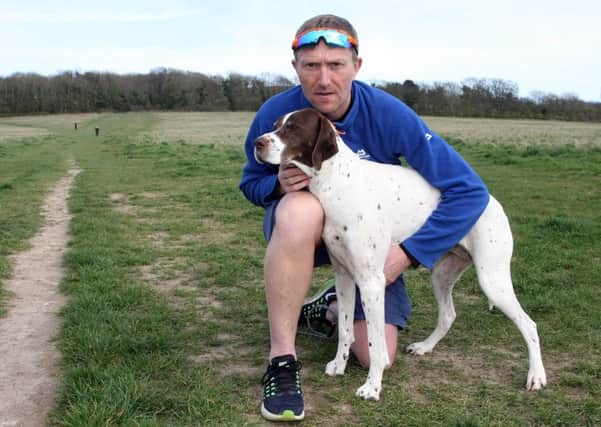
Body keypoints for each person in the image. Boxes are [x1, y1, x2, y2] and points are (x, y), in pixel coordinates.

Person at [239, 14, 489, 422]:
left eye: (335, 65)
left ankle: (331, 305)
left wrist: (409, 252)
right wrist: (280, 186)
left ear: (356, 65)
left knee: (380, 355)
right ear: (296, 68)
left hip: (372, 245)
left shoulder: (390, 114)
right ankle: (282, 359)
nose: (323, 78)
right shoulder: (278, 112)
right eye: (311, 65)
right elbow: (250, 184)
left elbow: (470, 190)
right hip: (303, 236)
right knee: (302, 209)